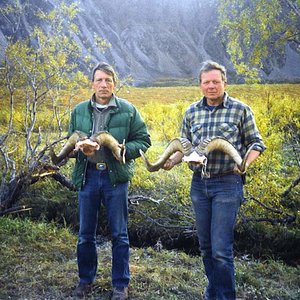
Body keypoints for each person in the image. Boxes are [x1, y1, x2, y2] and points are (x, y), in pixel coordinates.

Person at [163, 61, 266, 300]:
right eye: (206, 82)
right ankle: (214, 292)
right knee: (206, 248)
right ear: (200, 84)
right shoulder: (192, 112)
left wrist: (245, 165)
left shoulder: (240, 110)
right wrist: (172, 160)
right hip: (199, 184)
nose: (211, 86)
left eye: (215, 82)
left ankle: (225, 296)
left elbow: (256, 143)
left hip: (228, 183)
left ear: (224, 83)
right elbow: (185, 147)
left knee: (221, 250)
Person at [68, 62, 151, 299]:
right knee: (85, 233)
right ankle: (85, 281)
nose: (103, 85)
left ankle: (120, 284)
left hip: (115, 178)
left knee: (119, 233)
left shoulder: (128, 110)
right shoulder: (79, 111)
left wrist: (124, 150)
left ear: (115, 84)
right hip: (88, 176)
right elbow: (70, 141)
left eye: (108, 80)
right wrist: (77, 149)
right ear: (92, 83)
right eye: (99, 80)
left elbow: (144, 141)